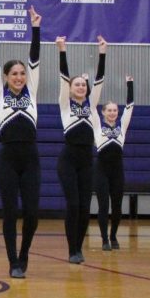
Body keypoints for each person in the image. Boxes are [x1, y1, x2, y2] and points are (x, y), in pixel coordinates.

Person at [0, 8, 41, 278]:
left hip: (30, 158)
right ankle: (12, 262)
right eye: (14, 74)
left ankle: (24, 255)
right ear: (6, 78)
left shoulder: (32, 93)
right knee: (10, 212)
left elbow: (35, 61)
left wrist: (36, 29)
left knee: (32, 213)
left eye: (21, 73)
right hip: (7, 159)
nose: (19, 77)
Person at [55, 34, 106, 264]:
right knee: (73, 204)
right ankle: (71, 249)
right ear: (71, 88)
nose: (81, 87)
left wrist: (102, 53)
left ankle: (79, 248)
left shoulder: (91, 105)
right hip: (68, 159)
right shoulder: (65, 104)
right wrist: (62, 50)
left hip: (87, 159)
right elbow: (63, 76)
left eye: (83, 85)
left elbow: (100, 79)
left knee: (85, 207)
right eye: (77, 84)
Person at [95, 76, 133, 251]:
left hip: (117, 171)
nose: (112, 113)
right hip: (101, 170)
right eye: (109, 110)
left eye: (114, 110)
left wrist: (129, 85)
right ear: (103, 112)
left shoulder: (121, 127)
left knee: (117, 206)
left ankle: (114, 236)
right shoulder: (97, 127)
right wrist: (88, 85)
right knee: (103, 205)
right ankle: (104, 240)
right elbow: (89, 106)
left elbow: (130, 107)